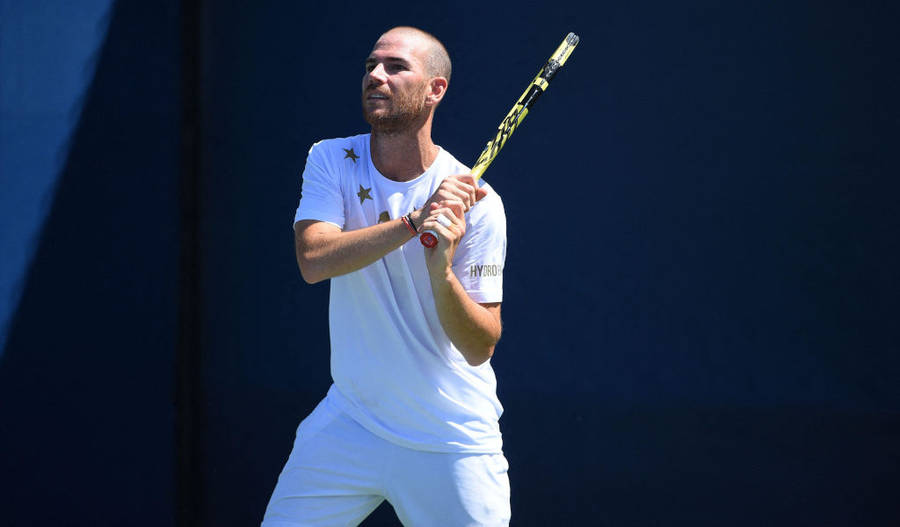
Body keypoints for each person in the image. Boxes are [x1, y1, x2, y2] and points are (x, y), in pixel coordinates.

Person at [262, 26, 509, 527]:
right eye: (371, 65)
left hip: (450, 439)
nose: (376, 75)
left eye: (396, 67)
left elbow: (480, 345)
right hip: (350, 422)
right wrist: (414, 222)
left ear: (435, 90)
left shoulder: (481, 208)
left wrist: (440, 268)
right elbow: (314, 261)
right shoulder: (331, 158)